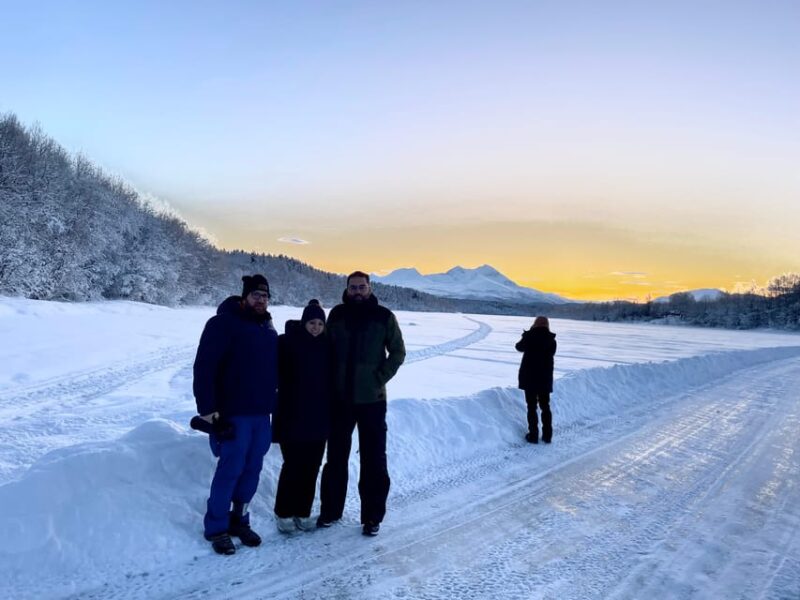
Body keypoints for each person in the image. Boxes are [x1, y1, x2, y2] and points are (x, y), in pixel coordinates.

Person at [193, 274, 278, 555]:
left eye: (264, 296)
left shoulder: (267, 327)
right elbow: (204, 368)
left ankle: (239, 520)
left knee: (252, 470)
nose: (260, 300)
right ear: (244, 297)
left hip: (260, 414)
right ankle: (216, 527)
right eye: (255, 295)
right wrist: (209, 412)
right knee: (230, 470)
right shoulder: (223, 324)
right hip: (233, 414)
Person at [317, 271, 405, 536]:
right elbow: (325, 349)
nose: (357, 291)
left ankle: (372, 517)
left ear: (370, 288)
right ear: (346, 288)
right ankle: (331, 511)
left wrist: (379, 377)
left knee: (374, 460)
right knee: (335, 459)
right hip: (340, 400)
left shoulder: (384, 317)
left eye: (362, 287)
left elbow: (398, 352)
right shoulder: (337, 315)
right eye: (353, 287)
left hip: (372, 401)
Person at [272, 300, 332, 534]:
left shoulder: (328, 346)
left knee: (312, 466)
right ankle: (283, 512)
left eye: (320, 323)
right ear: (303, 322)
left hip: (319, 418)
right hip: (292, 415)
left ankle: (303, 511)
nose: (315, 327)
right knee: (293, 466)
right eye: (311, 323)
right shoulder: (286, 343)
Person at [515, 316, 557, 444]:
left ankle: (533, 435)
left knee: (531, 406)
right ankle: (547, 435)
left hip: (530, 377)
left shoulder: (529, 337)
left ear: (535, 324)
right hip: (544, 378)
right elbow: (552, 353)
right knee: (545, 406)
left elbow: (518, 347)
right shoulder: (551, 340)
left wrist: (527, 334)